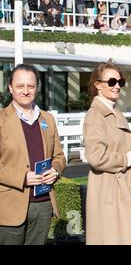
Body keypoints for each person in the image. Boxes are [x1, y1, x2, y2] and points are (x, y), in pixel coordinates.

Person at [83, 60, 131, 245]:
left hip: (122, 189)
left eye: (120, 82)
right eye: (111, 82)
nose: (117, 86)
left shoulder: (114, 111)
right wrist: (129, 158)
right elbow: (96, 157)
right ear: (98, 85)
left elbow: (121, 148)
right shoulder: (96, 115)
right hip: (108, 192)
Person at [0, 64, 66, 245]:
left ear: (37, 87)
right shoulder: (1, 120)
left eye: (30, 86)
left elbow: (59, 156)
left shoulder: (47, 119)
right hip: (9, 206)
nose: (26, 91)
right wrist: (23, 177)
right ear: (10, 88)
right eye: (20, 86)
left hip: (43, 203)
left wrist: (56, 169)